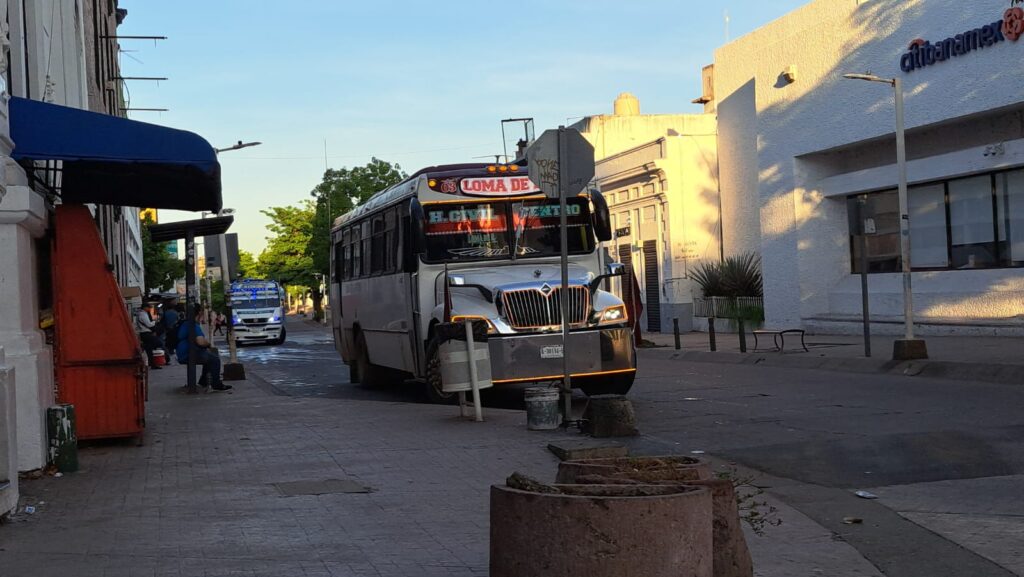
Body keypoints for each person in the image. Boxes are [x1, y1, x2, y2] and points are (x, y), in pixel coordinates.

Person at [176, 305, 232, 391]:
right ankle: (216, 383)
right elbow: (200, 341)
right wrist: (208, 344)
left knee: (209, 357)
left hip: (182, 352)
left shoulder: (185, 323)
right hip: (188, 354)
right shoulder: (193, 325)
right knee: (215, 359)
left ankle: (203, 381)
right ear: (199, 313)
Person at [136, 304, 163, 370]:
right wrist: (154, 322)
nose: (149, 309)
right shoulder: (142, 314)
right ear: (145, 307)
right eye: (148, 307)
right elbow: (149, 324)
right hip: (146, 333)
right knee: (158, 343)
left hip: (145, 333)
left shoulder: (142, 314)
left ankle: (153, 364)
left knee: (149, 350)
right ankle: (144, 347)